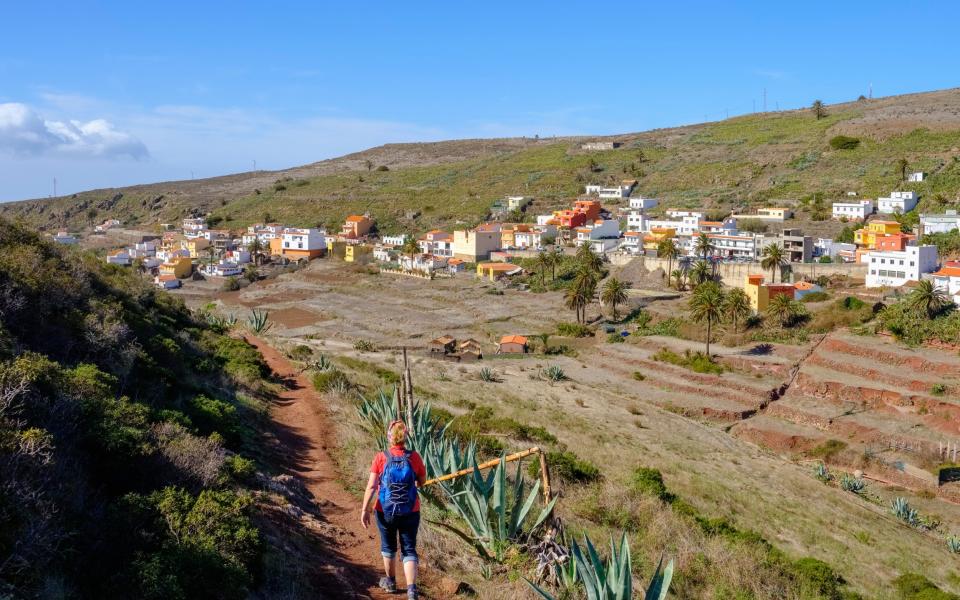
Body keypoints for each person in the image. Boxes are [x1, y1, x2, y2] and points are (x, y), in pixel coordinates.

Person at [360, 420, 427, 599]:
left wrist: (365, 509)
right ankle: (412, 590)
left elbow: (372, 486)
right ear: (405, 438)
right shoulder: (415, 457)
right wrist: (415, 482)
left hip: (385, 510)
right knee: (409, 548)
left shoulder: (381, 457)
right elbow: (423, 481)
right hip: (411, 509)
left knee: (388, 546)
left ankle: (390, 582)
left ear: (389, 437)